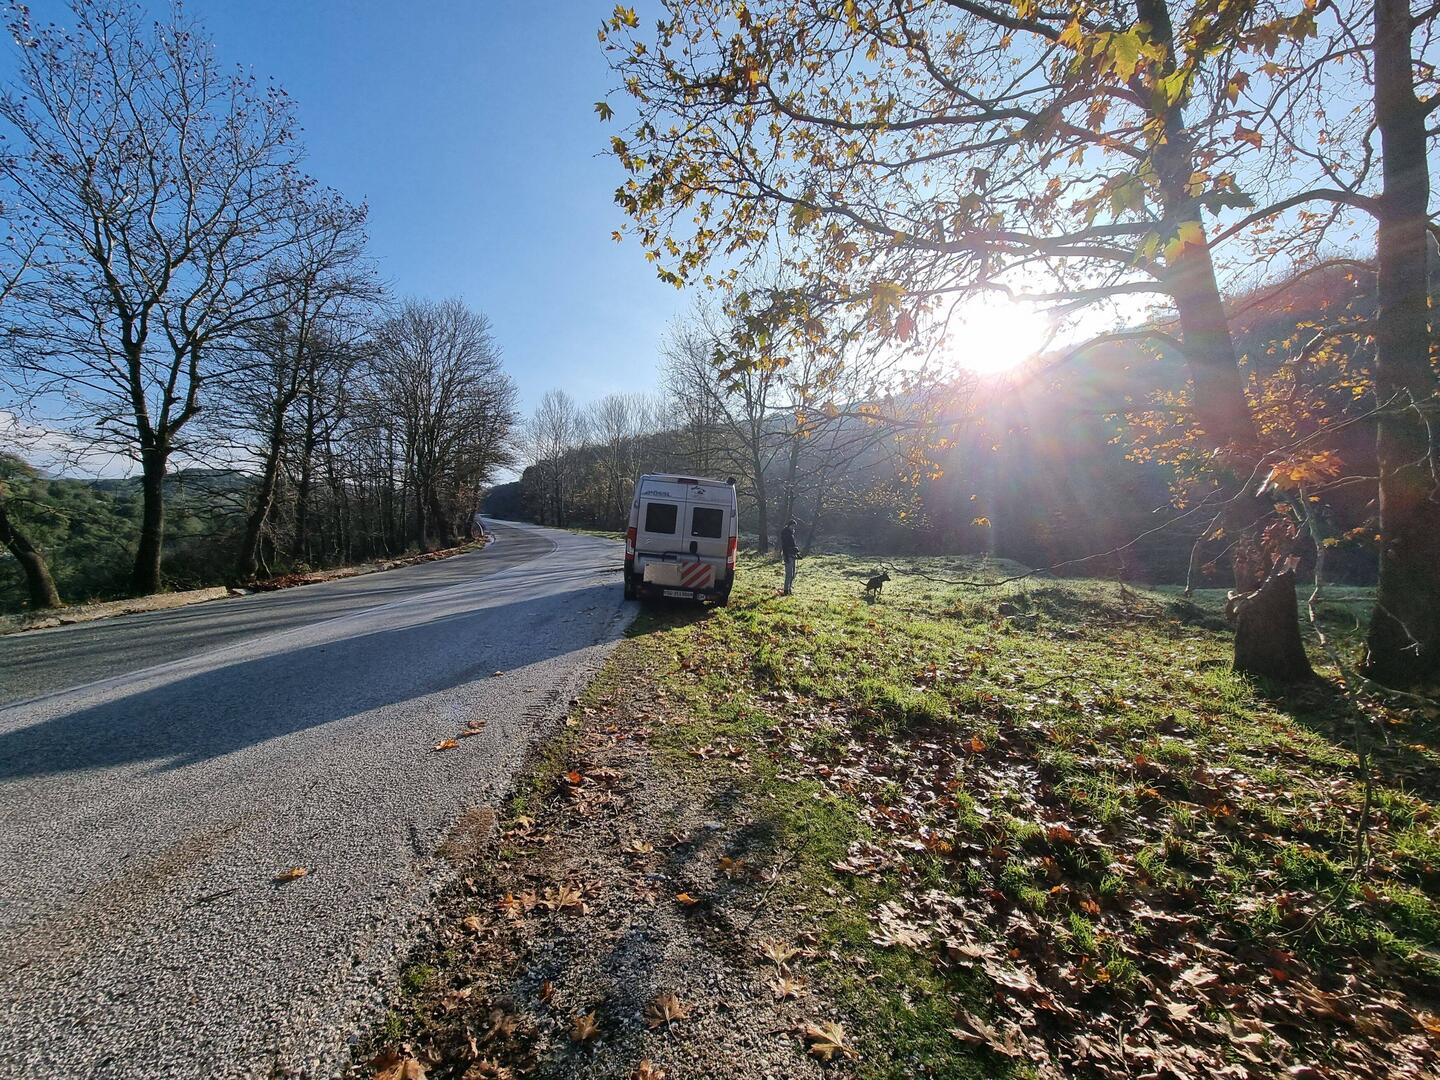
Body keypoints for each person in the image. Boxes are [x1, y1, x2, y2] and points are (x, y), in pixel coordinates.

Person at [780, 518, 799, 595]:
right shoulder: (785, 533)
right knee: (789, 574)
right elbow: (785, 546)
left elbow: (792, 545)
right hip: (787, 555)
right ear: (789, 525)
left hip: (792, 555)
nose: (793, 528)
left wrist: (796, 551)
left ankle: (789, 589)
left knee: (792, 574)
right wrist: (786, 556)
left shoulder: (791, 534)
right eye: (793, 526)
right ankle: (785, 590)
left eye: (794, 526)